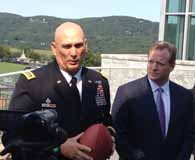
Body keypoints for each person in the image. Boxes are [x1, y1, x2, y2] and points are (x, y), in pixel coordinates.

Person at [3, 22, 115, 160]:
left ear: (86, 45)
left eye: (78, 45)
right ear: (54, 48)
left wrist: (109, 134)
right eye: (67, 46)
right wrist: (58, 148)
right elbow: (14, 136)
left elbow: (104, 119)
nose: (73, 53)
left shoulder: (99, 82)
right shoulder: (32, 84)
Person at [112, 41, 194, 160]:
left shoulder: (185, 96)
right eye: (151, 62)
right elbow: (118, 134)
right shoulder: (126, 93)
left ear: (172, 66)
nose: (154, 67)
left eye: (160, 63)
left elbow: (189, 134)